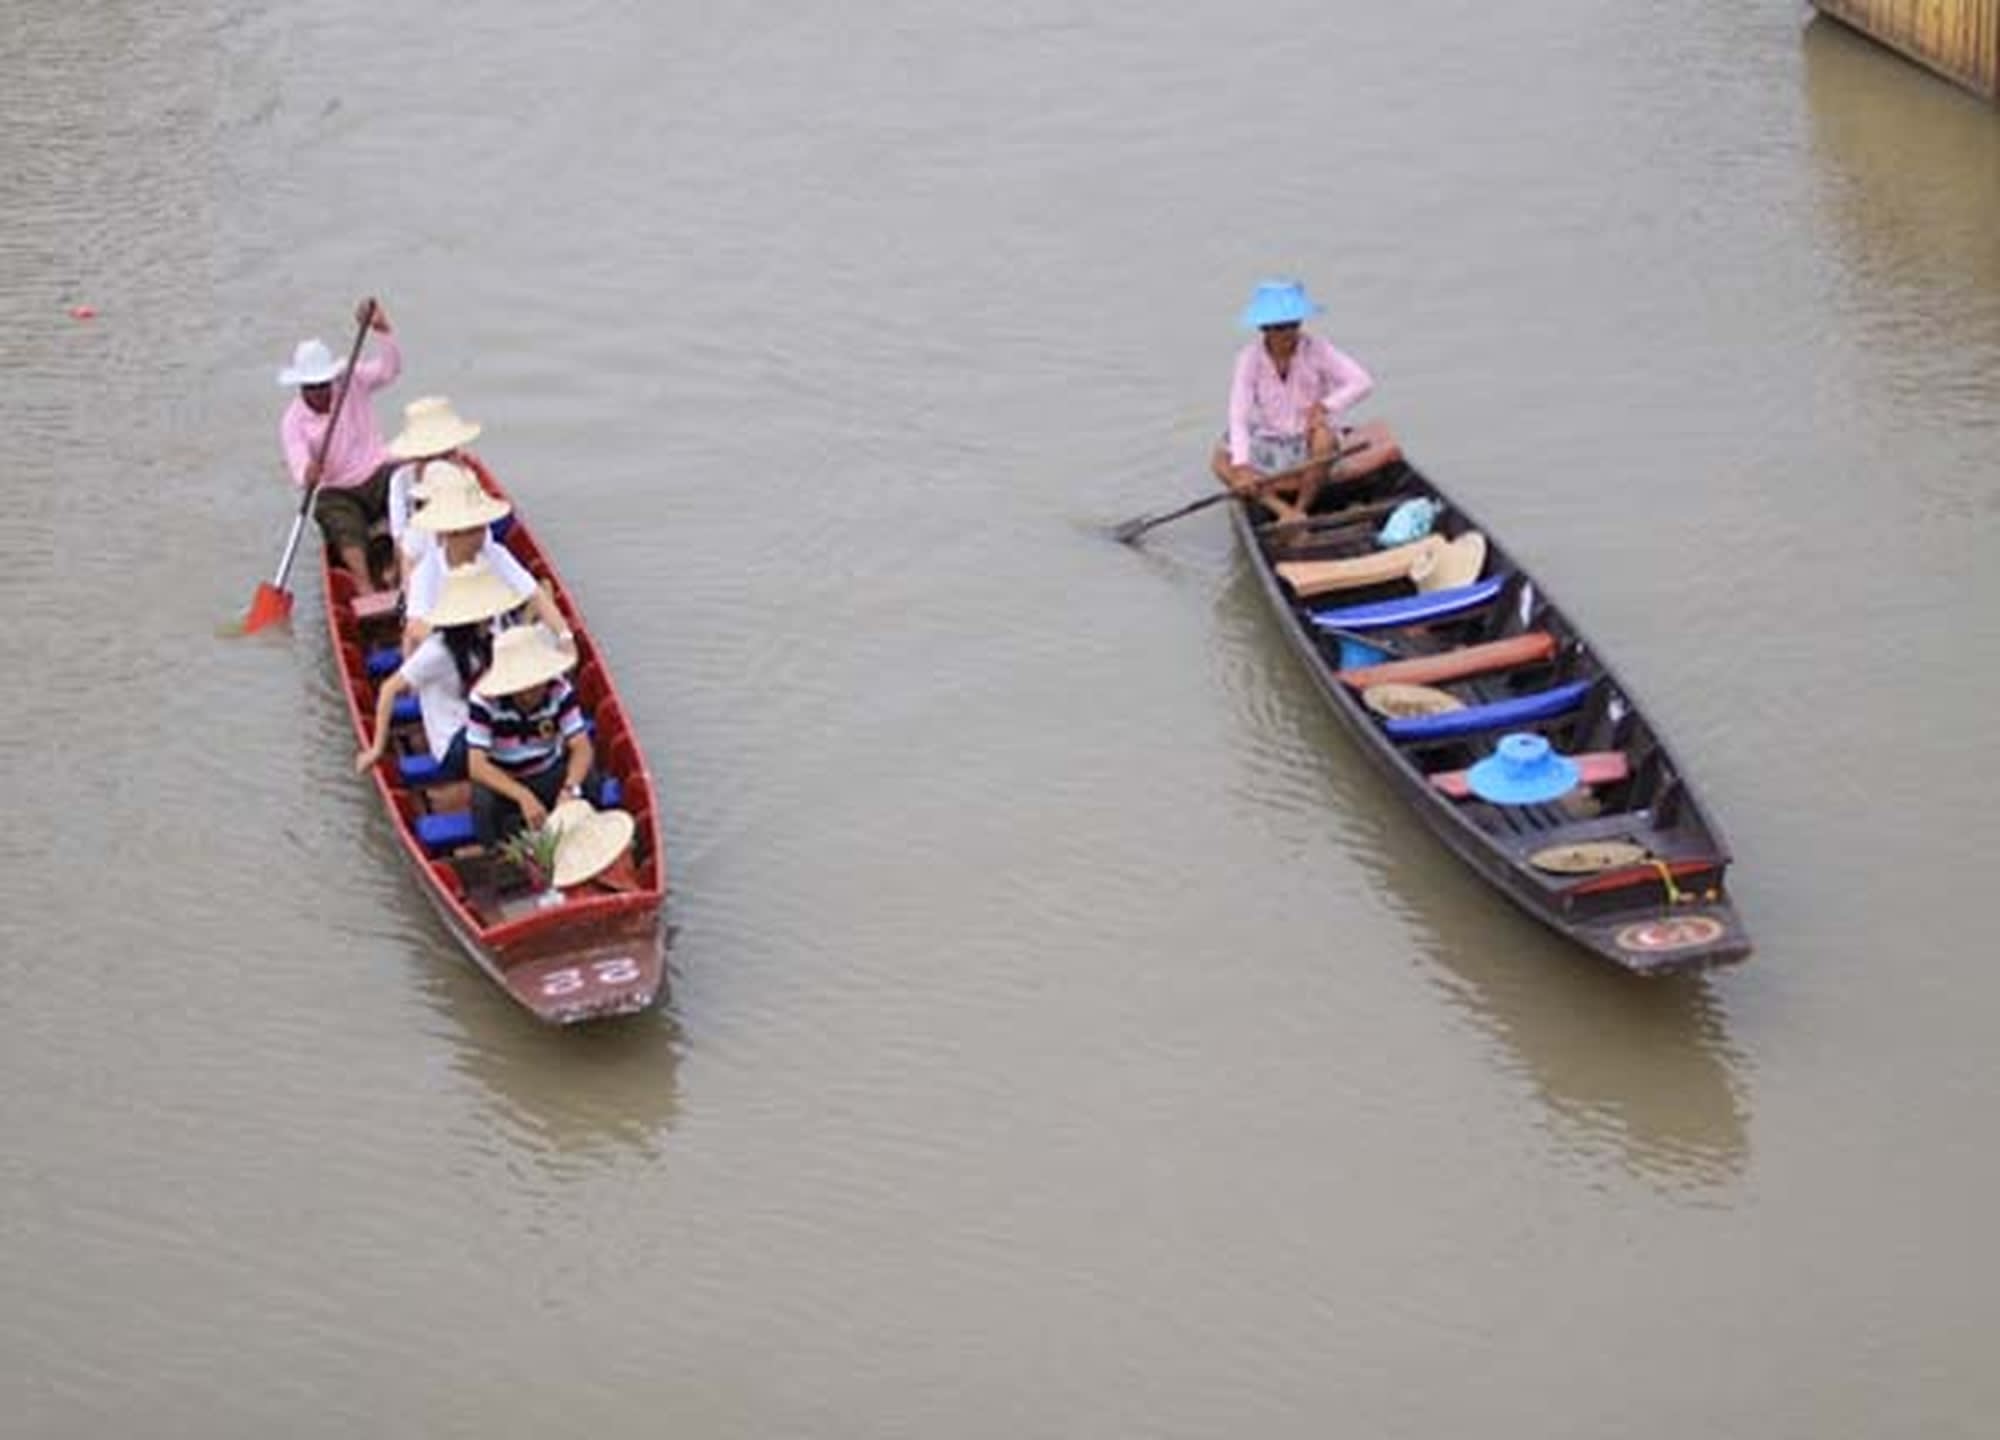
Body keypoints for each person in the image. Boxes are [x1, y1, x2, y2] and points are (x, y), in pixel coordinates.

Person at [1210, 279, 1374, 523]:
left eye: (1293, 325)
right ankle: (1282, 511)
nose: (1288, 333)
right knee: (1220, 460)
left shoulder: (1317, 348)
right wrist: (1242, 466)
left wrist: (1324, 406)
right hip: (1271, 439)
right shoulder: (1249, 359)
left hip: (1307, 439)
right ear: (1265, 329)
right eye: (1280, 327)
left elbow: (1362, 382)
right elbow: (1238, 417)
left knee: (1325, 438)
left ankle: (1301, 507)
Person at [353, 561, 520, 782]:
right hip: (453, 742)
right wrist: (376, 749)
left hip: (477, 725)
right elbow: (388, 689)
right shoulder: (438, 651)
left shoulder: (482, 640)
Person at [278, 298, 402, 594]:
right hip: (340, 489)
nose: (321, 392)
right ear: (301, 387)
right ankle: (364, 583)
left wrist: (383, 331)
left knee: (405, 481)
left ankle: (401, 566)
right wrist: (308, 472)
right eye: (312, 387)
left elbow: (389, 370)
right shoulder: (293, 421)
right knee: (332, 511)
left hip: (377, 470)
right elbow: (298, 463)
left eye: (324, 384)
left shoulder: (350, 380)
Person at [403, 462, 570, 645]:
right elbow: (415, 629)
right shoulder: (427, 571)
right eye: (474, 529)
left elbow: (535, 594)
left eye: (481, 526)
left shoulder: (495, 554)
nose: (483, 532)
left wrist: (565, 637)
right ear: (452, 534)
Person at [465, 624, 604, 845]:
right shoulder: (483, 701)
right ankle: (498, 853)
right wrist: (522, 795)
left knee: (590, 778)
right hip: (505, 777)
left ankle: (587, 839)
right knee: (483, 802)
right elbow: (477, 766)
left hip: (547, 769)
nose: (533, 692)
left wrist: (569, 790)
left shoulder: (559, 690)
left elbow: (581, 746)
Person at [384, 396, 483, 588]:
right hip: (420, 554)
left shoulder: (465, 477)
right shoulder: (401, 481)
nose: (438, 464)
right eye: (429, 458)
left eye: (447, 455)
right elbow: (400, 537)